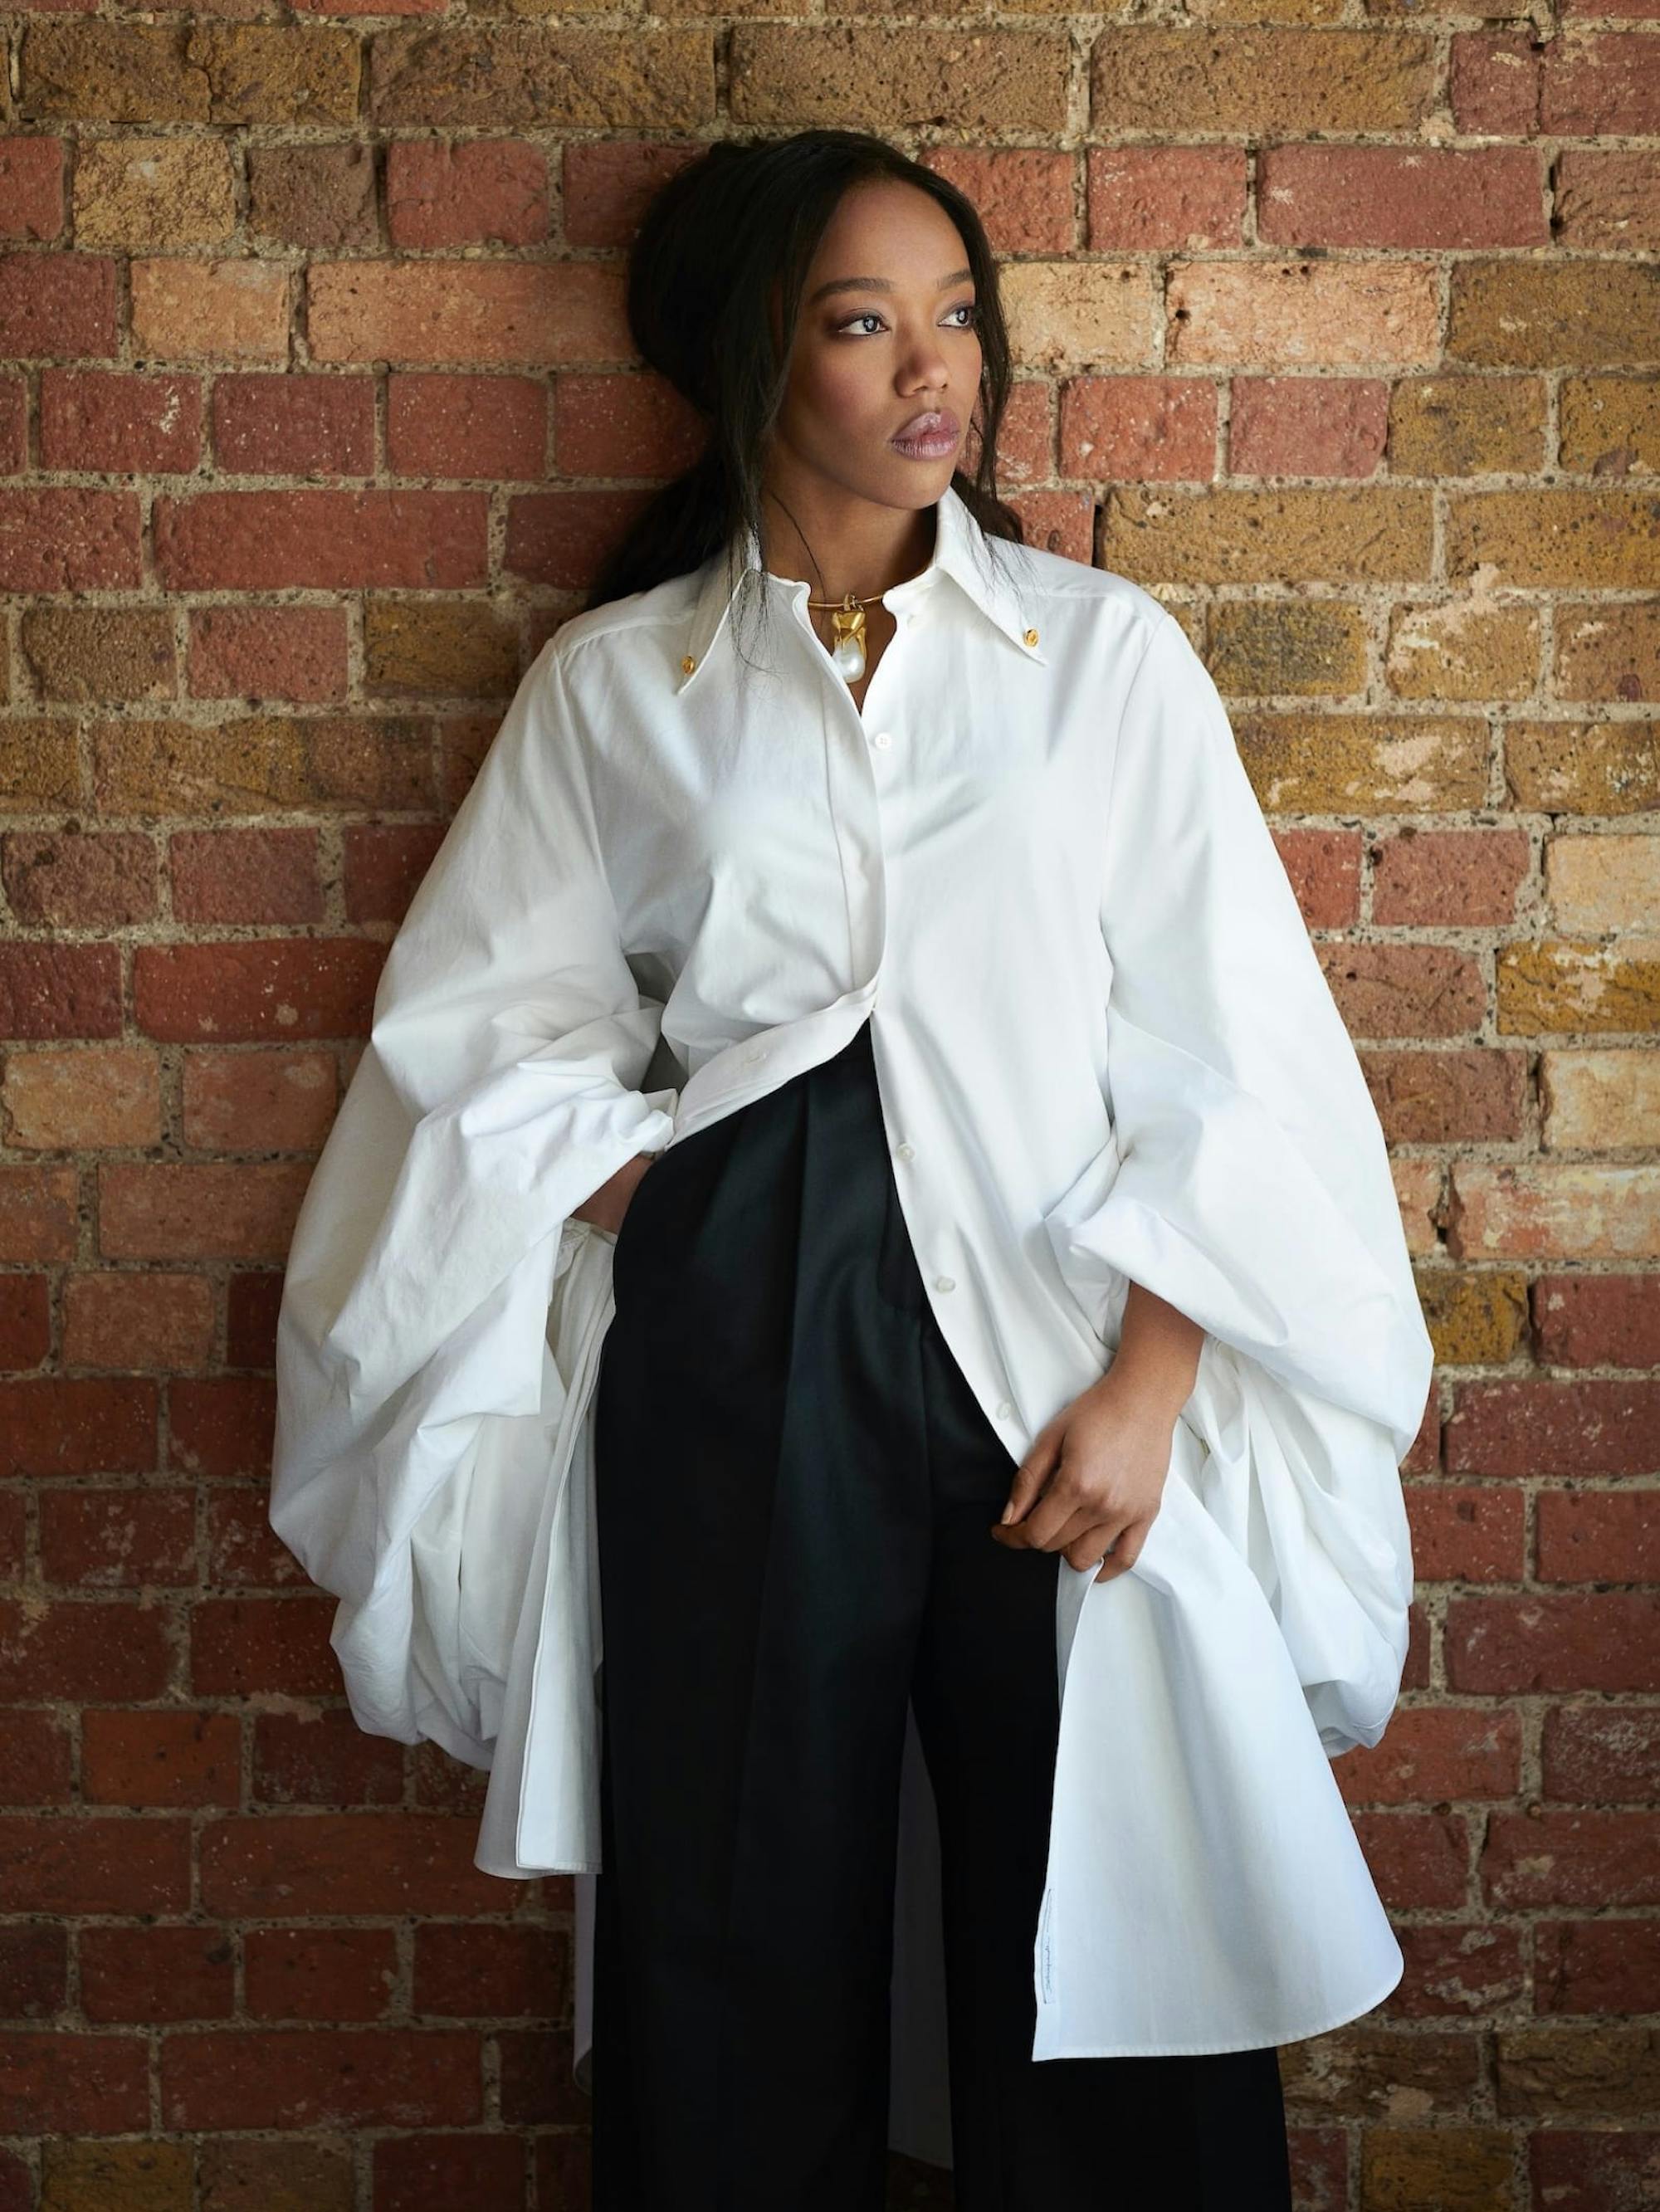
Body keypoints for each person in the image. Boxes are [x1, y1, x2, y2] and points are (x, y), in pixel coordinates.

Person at [270, 129, 1435, 2212]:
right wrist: (673, 1193)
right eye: (862, 319)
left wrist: (1158, 1380)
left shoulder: (1099, 663)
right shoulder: (620, 686)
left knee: (1113, 1908)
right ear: (758, 362)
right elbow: (478, 1026)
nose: (935, 365)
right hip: (743, 1340)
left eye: (957, 310)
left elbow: (1236, 1050)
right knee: (736, 1908)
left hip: (1058, 1342)